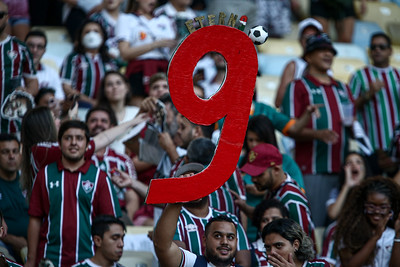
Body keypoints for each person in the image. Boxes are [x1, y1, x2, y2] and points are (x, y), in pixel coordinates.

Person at [25, 120, 122, 267]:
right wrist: (31, 260)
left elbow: (111, 224)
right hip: (50, 258)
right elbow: (35, 219)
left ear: (88, 144)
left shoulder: (99, 178)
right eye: (68, 138)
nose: (74, 143)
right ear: (59, 142)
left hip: (89, 259)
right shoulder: (44, 175)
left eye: (79, 138)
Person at [281, 33, 354, 227]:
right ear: (308, 56)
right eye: (322, 50)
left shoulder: (343, 88)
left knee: (343, 228)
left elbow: (352, 123)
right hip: (313, 170)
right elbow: (288, 128)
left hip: (344, 171)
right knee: (313, 227)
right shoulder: (297, 87)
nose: (328, 54)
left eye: (330, 51)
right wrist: (317, 134)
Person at [20, 106, 147, 195]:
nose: (59, 121)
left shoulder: (43, 149)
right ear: (45, 125)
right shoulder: (43, 150)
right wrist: (134, 122)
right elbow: (102, 139)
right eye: (54, 118)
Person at [153, 163, 244, 267]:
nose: (224, 242)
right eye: (217, 236)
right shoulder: (192, 263)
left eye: (230, 237)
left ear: (237, 242)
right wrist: (178, 197)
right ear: (204, 240)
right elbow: (162, 247)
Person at [238, 143, 316, 242]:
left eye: (259, 175)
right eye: (252, 174)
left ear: (276, 169)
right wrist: (243, 207)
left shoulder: (291, 199)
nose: (253, 179)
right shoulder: (273, 189)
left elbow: (302, 243)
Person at [86, 106, 139, 225]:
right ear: (86, 125)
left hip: (117, 216)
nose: (98, 124)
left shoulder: (123, 160)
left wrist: (123, 222)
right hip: (84, 213)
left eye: (104, 121)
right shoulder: (77, 157)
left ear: (112, 128)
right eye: (93, 120)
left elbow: (132, 197)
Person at [116, 0, 176, 105]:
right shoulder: (126, 19)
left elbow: (174, 49)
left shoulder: (165, 20)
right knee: (139, 108)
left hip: (163, 69)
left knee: (167, 106)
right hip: (139, 71)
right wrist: (154, 44)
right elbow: (124, 53)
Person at [349, 32, 400, 153]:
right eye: (373, 47)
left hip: (397, 147)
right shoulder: (359, 76)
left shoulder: (398, 75)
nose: (377, 50)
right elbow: (349, 109)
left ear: (390, 51)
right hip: (371, 146)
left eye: (382, 47)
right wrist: (368, 94)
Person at [333, 176, 400, 266]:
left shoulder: (393, 234)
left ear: (391, 208)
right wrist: (376, 237)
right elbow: (349, 265)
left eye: (383, 207)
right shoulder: (350, 232)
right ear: (363, 205)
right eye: (371, 206)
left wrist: (398, 237)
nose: (376, 211)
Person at [60, 19, 117, 108]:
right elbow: (66, 87)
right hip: (80, 106)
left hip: (107, 107)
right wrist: (91, 102)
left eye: (96, 31)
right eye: (87, 32)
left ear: (103, 36)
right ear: (80, 37)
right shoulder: (74, 58)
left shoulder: (109, 61)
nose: (92, 35)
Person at [0, 0, 38, 134]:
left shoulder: (20, 48)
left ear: (7, 18)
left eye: (0, 15)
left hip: (12, 124)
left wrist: (27, 92)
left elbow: (32, 81)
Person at [274, 18, 322, 108]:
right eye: (307, 37)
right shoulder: (293, 66)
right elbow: (279, 102)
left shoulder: (325, 67)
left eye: (314, 37)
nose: (310, 41)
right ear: (300, 40)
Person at [96, 70, 140, 154]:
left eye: (118, 83)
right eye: (109, 84)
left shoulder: (136, 111)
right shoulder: (98, 116)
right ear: (104, 90)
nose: (114, 87)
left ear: (126, 87)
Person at [0, 134, 28, 264]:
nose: (11, 156)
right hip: (4, 243)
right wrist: (13, 240)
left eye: (15, 151)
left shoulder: (29, 181)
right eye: (5, 152)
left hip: (31, 243)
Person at [262, 218, 330, 266]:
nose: (272, 252)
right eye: (268, 247)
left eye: (278, 245)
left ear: (296, 245)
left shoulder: (320, 265)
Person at [24, 30, 64, 101]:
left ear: (44, 51)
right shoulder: (14, 70)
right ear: (23, 47)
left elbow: (60, 99)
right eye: (30, 45)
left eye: (39, 47)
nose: (34, 50)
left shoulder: (52, 73)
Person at [250, 199, 289, 267]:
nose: (270, 223)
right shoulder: (250, 252)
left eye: (275, 219)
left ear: (286, 219)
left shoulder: (295, 247)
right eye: (265, 220)